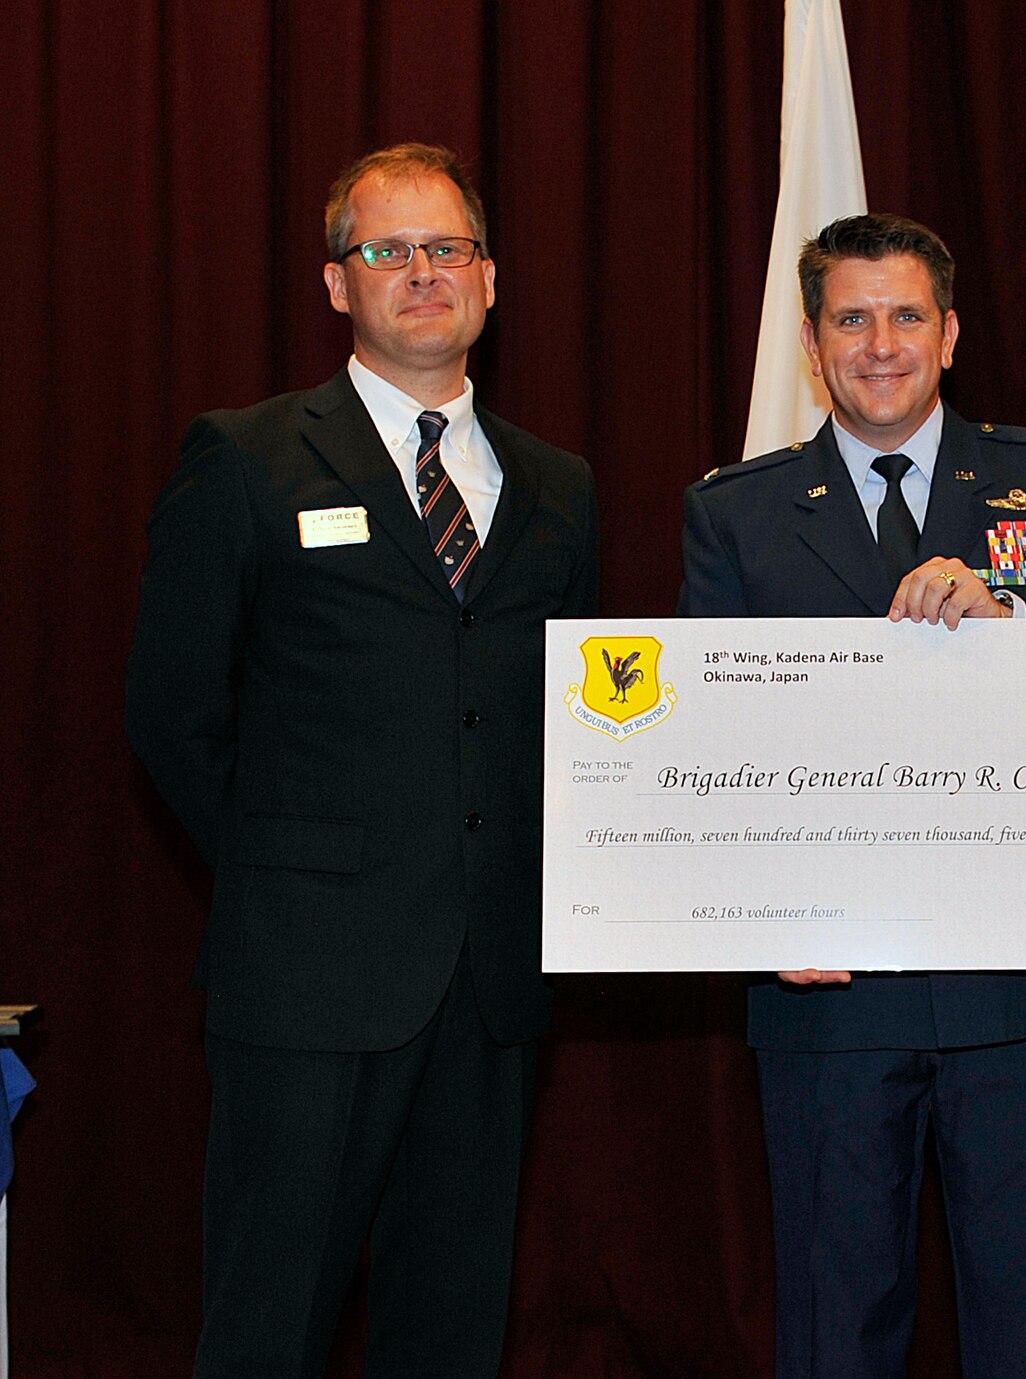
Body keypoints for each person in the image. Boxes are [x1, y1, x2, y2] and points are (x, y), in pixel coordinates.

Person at [126, 143, 599, 1377]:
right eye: (387, 250)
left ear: (490, 278)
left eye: (448, 248)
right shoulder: (246, 456)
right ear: (338, 283)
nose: (422, 272)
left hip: (491, 981)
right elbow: (172, 711)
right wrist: (290, 871)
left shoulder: (558, 484)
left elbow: (581, 724)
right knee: (269, 1322)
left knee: (451, 1327)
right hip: (307, 976)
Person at [678, 212, 1026, 1379]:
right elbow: (706, 742)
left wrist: (1014, 618)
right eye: (851, 318)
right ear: (810, 344)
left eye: (905, 315)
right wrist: (761, 912)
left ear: (948, 334)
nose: (880, 343)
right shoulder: (736, 512)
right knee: (834, 1326)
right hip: (830, 986)